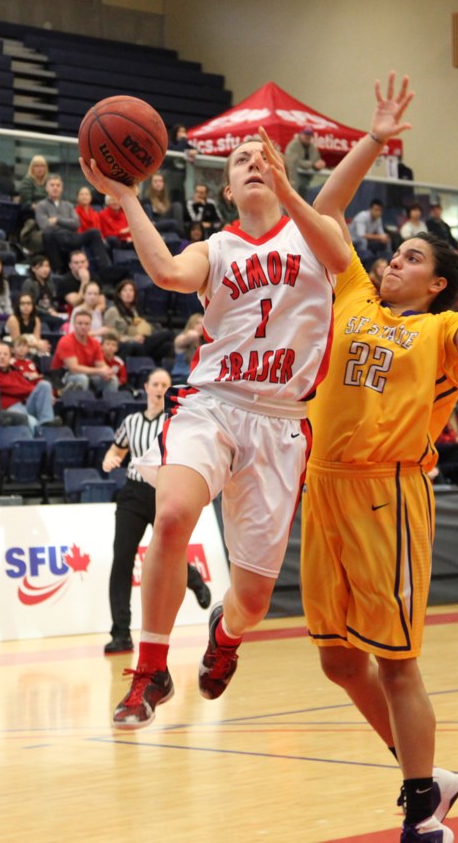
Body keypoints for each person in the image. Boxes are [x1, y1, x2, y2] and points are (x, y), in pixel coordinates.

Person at [80, 114, 351, 732]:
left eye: (264, 156)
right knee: (172, 515)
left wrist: (289, 194)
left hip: (281, 423)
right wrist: (125, 196)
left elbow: (339, 255)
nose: (254, 163)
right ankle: (150, 668)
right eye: (240, 161)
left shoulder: (314, 233)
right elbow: (168, 274)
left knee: (253, 602)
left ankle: (224, 634)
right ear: (226, 189)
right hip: (212, 404)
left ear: (283, 171)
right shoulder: (219, 248)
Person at [302, 75, 458, 843]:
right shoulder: (357, 296)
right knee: (335, 660)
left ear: (438, 283)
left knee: (394, 661)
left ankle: (424, 811)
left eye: (413, 257)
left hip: (387, 493)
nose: (394, 260)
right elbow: (325, 212)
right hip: (322, 485)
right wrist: (375, 139)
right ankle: (425, 774)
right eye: (397, 251)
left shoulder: (441, 332)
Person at [102, 368, 212, 654]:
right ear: (146, 387)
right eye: (156, 384)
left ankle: (194, 579)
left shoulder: (174, 421)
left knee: (168, 551)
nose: (160, 388)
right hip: (132, 494)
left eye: (165, 384)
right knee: (122, 560)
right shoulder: (131, 422)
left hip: (163, 492)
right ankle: (121, 633)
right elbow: (116, 450)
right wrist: (109, 461)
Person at [35, 174, 111, 272]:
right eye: (52, 185)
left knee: (94, 232)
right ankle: (58, 270)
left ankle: (105, 268)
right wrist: (67, 223)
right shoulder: (41, 205)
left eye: (58, 185)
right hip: (55, 237)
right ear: (46, 188)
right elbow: (44, 225)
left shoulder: (69, 205)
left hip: (72, 236)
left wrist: (57, 220)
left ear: (62, 188)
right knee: (47, 234)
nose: (55, 188)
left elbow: (76, 223)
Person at [0, 341, 57, 433]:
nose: (2, 357)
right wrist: (34, 390)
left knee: (44, 385)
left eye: (5, 354)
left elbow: (28, 385)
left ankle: (46, 423)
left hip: (25, 405)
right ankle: (44, 432)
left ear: (10, 357)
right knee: (32, 422)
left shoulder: (14, 373)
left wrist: (49, 395)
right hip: (8, 410)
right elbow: (12, 388)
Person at [50, 306, 120, 393]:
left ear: (90, 326)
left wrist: (107, 372)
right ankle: (77, 405)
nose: (83, 327)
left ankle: (109, 405)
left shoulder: (94, 343)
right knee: (81, 379)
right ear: (74, 325)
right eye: (80, 323)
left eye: (87, 324)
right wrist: (99, 371)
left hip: (88, 374)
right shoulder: (66, 341)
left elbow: (101, 365)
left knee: (112, 380)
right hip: (64, 375)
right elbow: (74, 368)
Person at [21, 255, 65, 330]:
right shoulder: (29, 283)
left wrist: (53, 309)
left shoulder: (49, 282)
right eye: (41, 266)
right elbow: (29, 304)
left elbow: (54, 299)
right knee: (58, 321)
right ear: (33, 269)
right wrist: (47, 311)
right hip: (36, 314)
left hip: (50, 312)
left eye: (47, 266)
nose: (45, 269)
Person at [283, 126, 326, 199]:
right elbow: (294, 162)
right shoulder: (293, 146)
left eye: (310, 135)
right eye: (306, 134)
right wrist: (312, 164)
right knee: (291, 200)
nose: (308, 136)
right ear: (301, 134)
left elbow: (316, 160)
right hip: (293, 179)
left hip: (306, 182)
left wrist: (320, 165)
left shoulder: (312, 147)